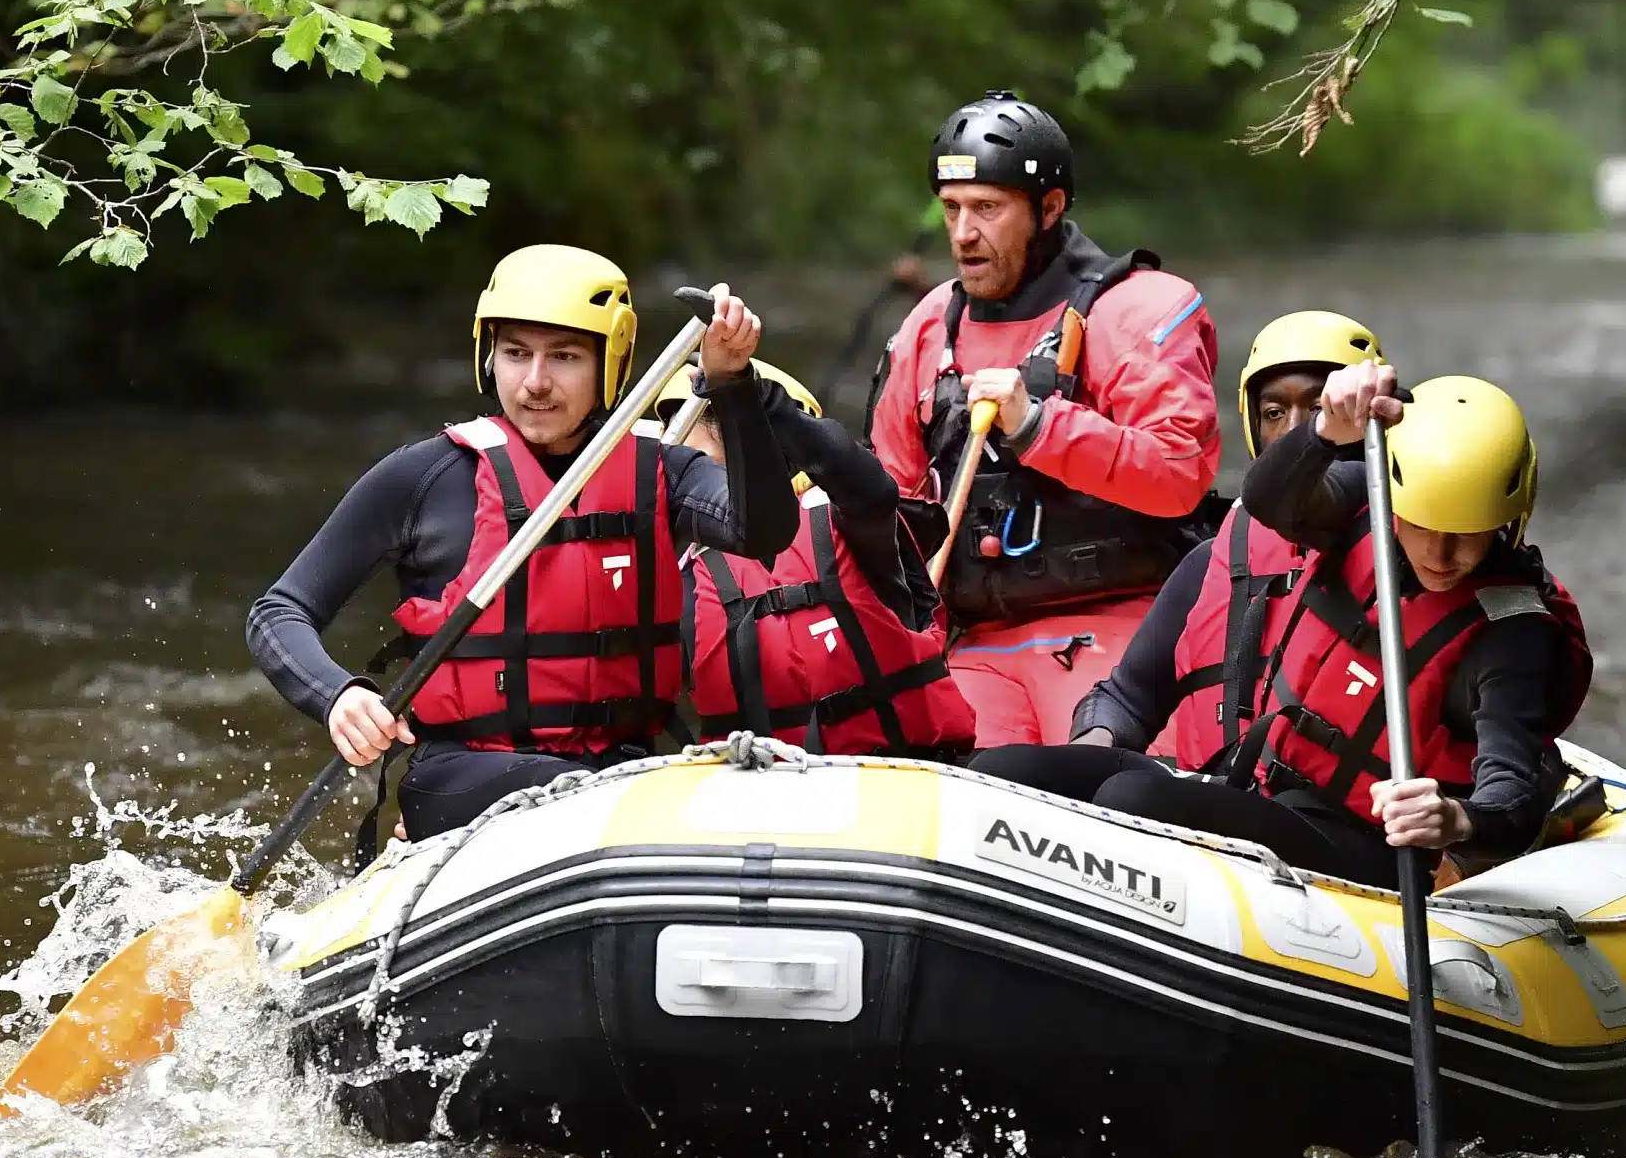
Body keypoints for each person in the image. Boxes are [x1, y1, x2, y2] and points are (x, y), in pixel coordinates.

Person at [246, 247, 798, 841]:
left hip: (621, 771)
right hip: (465, 775)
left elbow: (764, 530)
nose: (535, 382)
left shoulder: (662, 472)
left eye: (564, 357)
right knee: (582, 794)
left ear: (609, 364)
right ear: (489, 359)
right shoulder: (424, 478)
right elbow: (278, 612)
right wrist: (337, 696)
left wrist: (733, 387)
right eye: (515, 354)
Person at [1009, 362, 1591, 891]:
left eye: (1467, 533)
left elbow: (1513, 792)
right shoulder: (1358, 508)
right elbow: (1270, 500)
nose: (1440, 553)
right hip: (1255, 785)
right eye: (1422, 523)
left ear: (1506, 522)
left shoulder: (1513, 632)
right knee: (1011, 770)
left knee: (1132, 797)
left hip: (1362, 846)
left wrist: (1456, 819)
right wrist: (1324, 430)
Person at [866, 90, 1222, 746]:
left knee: (1103, 779)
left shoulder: (1137, 309)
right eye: (951, 209)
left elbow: (1179, 476)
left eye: (987, 209)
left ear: (1050, 208)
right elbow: (893, 504)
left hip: (1122, 629)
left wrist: (1037, 427)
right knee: (940, 763)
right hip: (979, 644)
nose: (963, 233)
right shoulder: (928, 326)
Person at [980, 309, 1387, 798]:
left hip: (1312, 809)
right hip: (1217, 790)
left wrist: (1322, 439)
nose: (1295, 429)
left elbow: (1291, 499)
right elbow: (1126, 698)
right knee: (1003, 769)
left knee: (1131, 796)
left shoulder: (1393, 551)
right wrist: (1086, 758)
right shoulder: (1223, 555)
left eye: (1320, 409)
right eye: (1275, 414)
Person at [660, 360, 976, 757]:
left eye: (696, 465)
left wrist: (750, 397)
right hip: (756, 784)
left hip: (891, 772)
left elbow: (870, 488)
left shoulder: (853, 523)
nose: (684, 485)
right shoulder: (682, 574)